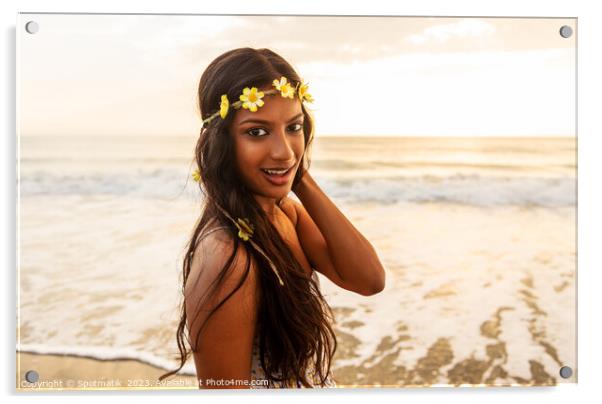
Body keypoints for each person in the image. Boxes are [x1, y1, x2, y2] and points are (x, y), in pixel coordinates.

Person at [159, 47, 386, 389]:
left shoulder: (286, 213)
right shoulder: (226, 259)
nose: (283, 150)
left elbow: (368, 279)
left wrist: (298, 177)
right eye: (257, 132)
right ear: (221, 140)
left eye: (293, 127)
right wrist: (286, 167)